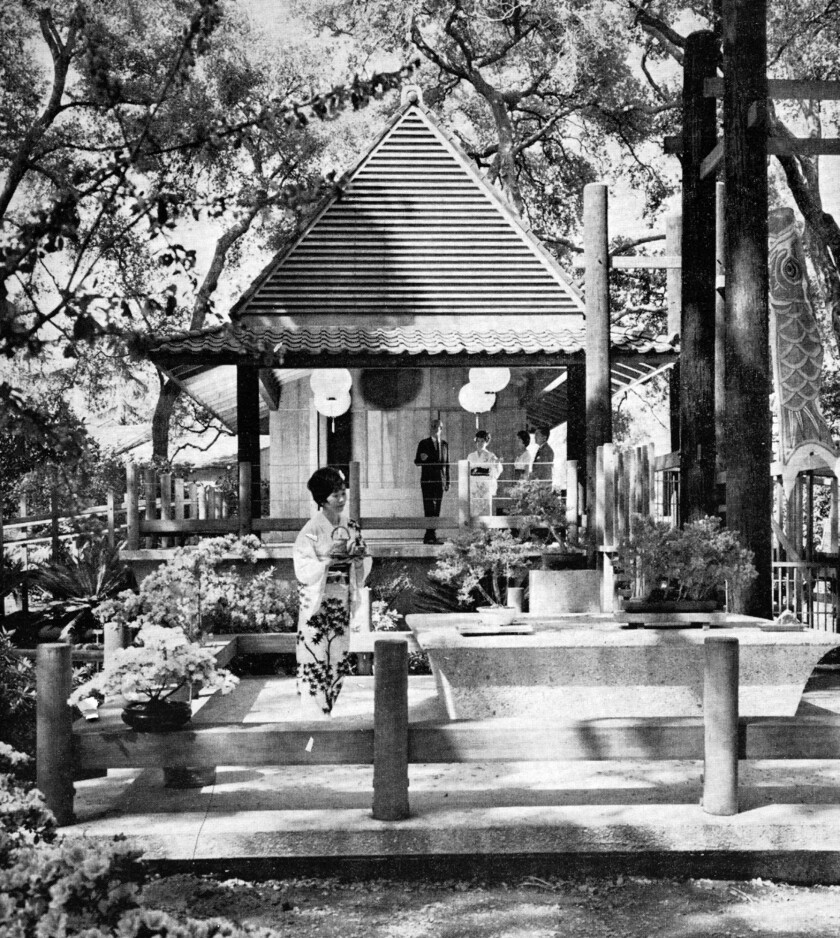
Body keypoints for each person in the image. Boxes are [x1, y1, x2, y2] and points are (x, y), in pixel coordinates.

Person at [293, 467, 372, 716]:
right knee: (315, 658)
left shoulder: (351, 525)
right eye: (335, 495)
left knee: (337, 658)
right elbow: (303, 568)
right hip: (318, 603)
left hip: (340, 600)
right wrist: (327, 560)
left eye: (343, 493)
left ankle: (328, 709)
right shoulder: (311, 529)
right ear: (322, 499)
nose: (341, 499)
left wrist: (358, 558)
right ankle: (314, 717)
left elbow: (364, 559)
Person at [414, 418, 450, 544]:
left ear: (441, 429)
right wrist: (422, 459)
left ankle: (432, 534)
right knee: (429, 507)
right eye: (432, 426)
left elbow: (447, 464)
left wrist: (448, 481)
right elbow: (417, 461)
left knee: (437, 508)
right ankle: (429, 535)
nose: (434, 428)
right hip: (428, 480)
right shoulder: (423, 443)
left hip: (440, 480)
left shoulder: (445, 445)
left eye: (437, 426)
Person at [467, 429, 503, 516]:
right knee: (474, 513)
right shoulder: (471, 456)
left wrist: (497, 463)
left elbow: (495, 471)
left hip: (485, 488)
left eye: (482, 441)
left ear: (486, 442)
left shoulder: (491, 456)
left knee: (485, 513)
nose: (479, 443)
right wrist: (483, 470)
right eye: (478, 441)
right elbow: (468, 471)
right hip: (474, 488)